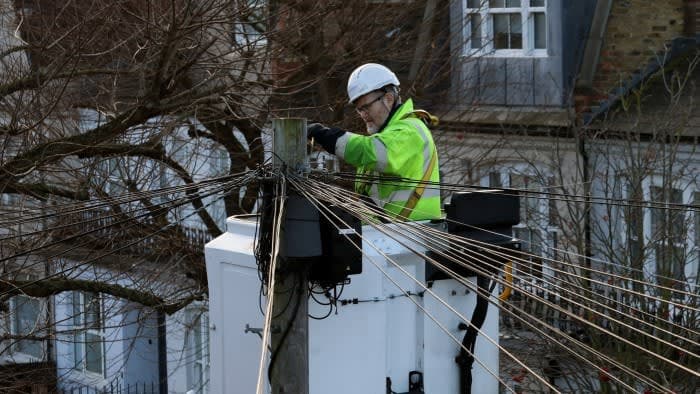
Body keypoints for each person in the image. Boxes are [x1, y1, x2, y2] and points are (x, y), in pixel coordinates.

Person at [307, 63, 441, 221]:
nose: (363, 115)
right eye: (359, 109)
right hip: (387, 238)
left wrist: (327, 136)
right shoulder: (387, 135)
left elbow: (372, 152)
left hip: (411, 239)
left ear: (389, 98)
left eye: (366, 107)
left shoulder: (410, 131)